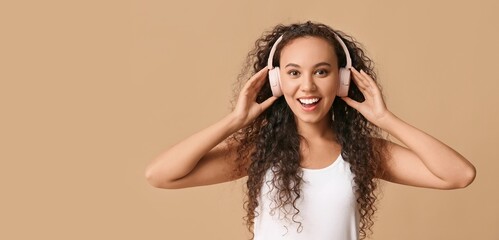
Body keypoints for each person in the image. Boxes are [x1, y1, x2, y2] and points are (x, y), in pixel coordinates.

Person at [145, 21, 476, 240]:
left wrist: (385, 118)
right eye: (293, 73)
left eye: (321, 71)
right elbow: (160, 175)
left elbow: (458, 175)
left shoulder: (365, 152)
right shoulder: (256, 151)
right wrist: (235, 120)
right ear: (275, 81)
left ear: (343, 79)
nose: (307, 86)